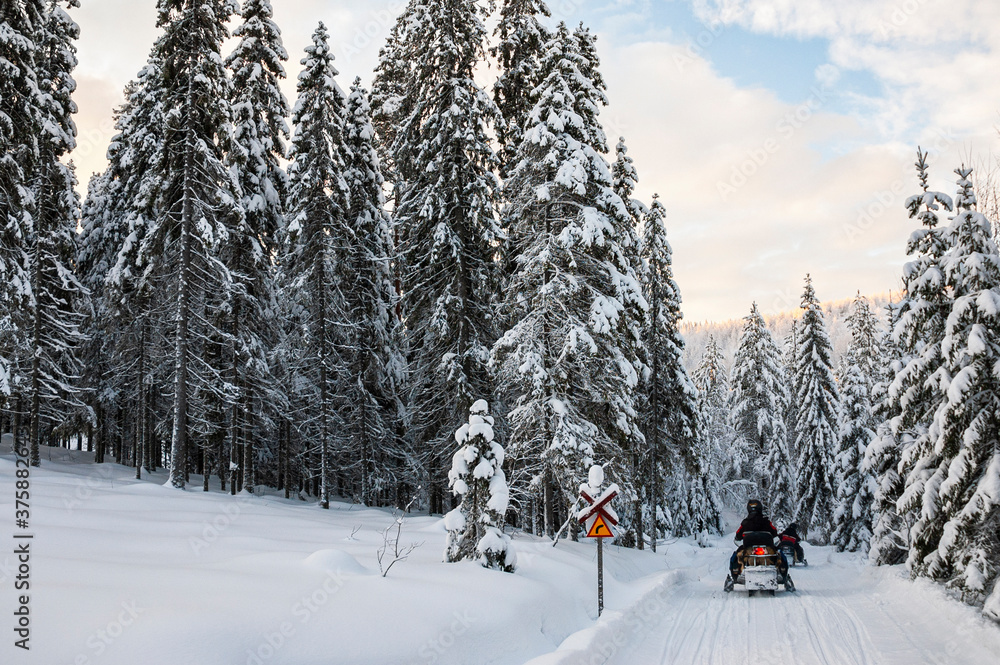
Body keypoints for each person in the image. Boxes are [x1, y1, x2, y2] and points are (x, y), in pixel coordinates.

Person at [725, 499, 788, 590]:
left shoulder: (745, 523)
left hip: (749, 550)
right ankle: (783, 574)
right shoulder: (766, 522)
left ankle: (735, 575)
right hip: (768, 549)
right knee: (780, 555)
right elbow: (775, 532)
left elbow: (738, 536)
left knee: (735, 556)